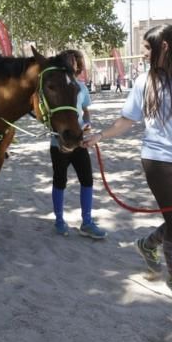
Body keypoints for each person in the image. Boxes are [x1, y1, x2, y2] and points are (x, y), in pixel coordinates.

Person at [85, 24, 172, 305]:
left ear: (164, 47)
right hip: (159, 160)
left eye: (147, 49)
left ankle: (147, 244)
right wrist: (99, 136)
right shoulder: (144, 81)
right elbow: (127, 119)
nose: (142, 56)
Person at [50, 49, 107, 240]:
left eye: (73, 61)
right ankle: (59, 220)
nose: (70, 63)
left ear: (78, 64)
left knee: (87, 180)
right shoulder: (55, 85)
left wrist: (88, 125)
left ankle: (87, 222)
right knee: (60, 180)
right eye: (67, 60)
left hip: (80, 140)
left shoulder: (81, 87)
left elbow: (85, 111)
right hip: (59, 142)